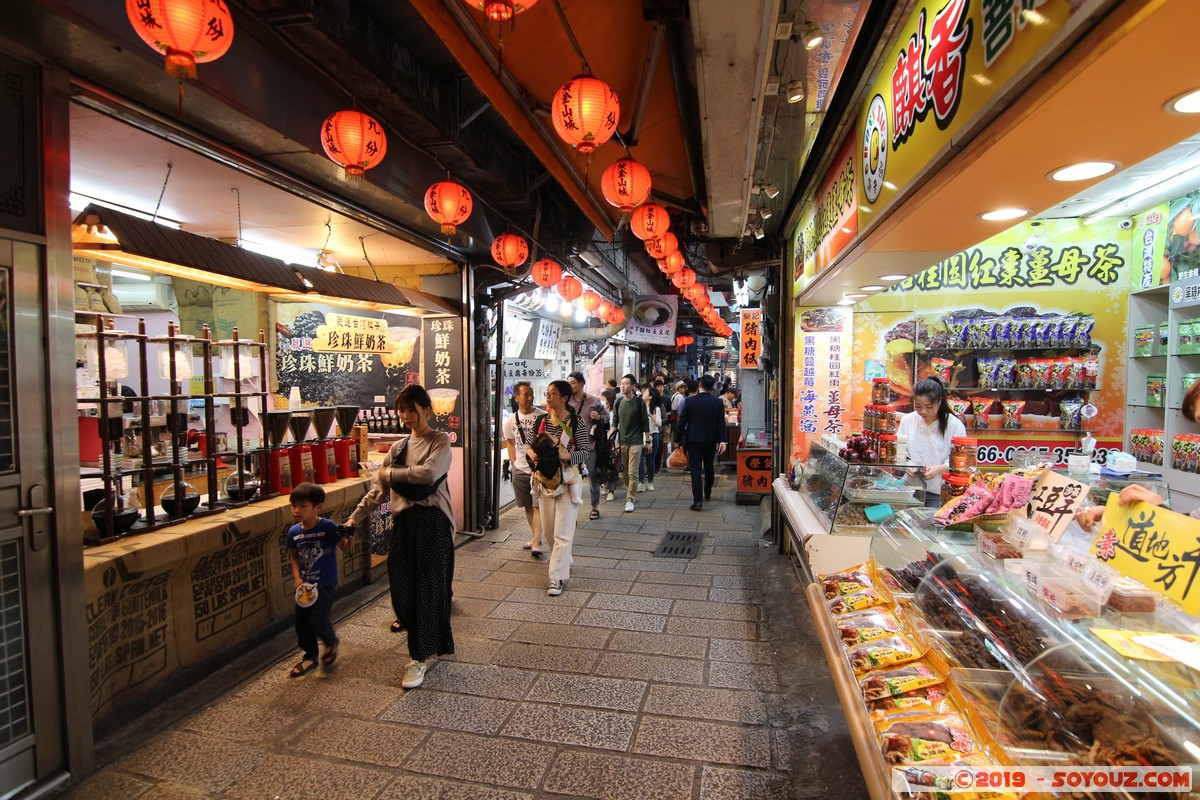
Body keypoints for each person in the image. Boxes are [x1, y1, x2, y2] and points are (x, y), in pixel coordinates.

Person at [347, 384, 454, 689]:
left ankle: (418, 658)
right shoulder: (397, 449)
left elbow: (429, 475)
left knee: (427, 592)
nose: (407, 416)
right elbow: (378, 492)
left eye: (412, 410)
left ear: (427, 410)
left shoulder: (439, 441)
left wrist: (389, 474)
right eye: (402, 410)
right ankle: (427, 636)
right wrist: (355, 517)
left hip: (433, 524)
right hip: (405, 524)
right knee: (403, 593)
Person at [286, 482, 352, 677]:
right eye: (293, 506)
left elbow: (345, 547)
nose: (297, 510)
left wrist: (350, 535)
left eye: (303, 506)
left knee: (318, 620)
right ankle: (310, 655)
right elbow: (294, 556)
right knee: (302, 622)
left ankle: (330, 642)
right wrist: (297, 577)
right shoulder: (294, 533)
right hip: (305, 587)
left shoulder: (328, 527)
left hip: (325, 582)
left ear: (318, 507)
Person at [534, 380, 591, 596]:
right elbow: (532, 444)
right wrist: (534, 454)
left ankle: (557, 577)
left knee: (563, 533)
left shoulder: (577, 423)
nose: (548, 397)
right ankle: (564, 557)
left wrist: (563, 455)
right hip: (545, 480)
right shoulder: (541, 420)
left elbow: (585, 452)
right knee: (549, 531)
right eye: (547, 393)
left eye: (552, 393)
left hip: (568, 480)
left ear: (564, 398)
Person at [897, 376, 967, 507]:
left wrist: (940, 469)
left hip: (939, 491)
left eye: (929, 407)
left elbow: (960, 460)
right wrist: (908, 465)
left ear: (939, 402)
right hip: (910, 489)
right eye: (918, 406)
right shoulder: (908, 420)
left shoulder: (955, 425)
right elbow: (899, 452)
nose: (923, 411)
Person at [501, 381, 546, 554]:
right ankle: (536, 535)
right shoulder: (511, 420)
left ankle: (535, 541)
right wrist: (513, 461)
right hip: (520, 468)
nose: (529, 398)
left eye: (531, 394)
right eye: (525, 395)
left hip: (538, 469)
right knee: (527, 505)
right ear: (516, 397)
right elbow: (511, 442)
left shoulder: (543, 416)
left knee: (538, 505)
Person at [676, 374, 727, 510]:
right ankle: (708, 491)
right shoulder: (717, 402)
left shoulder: (690, 401)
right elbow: (721, 422)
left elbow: (682, 422)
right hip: (711, 440)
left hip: (693, 440)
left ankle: (697, 501)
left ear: (700, 385)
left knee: (696, 469)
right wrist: (723, 441)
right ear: (712, 387)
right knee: (709, 466)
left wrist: (677, 439)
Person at [567, 371, 608, 523]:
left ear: (582, 384)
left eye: (573, 383)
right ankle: (570, 511)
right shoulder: (567, 402)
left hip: (590, 445)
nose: (571, 386)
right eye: (569, 383)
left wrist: (599, 417)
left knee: (593, 477)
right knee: (570, 478)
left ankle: (594, 507)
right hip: (571, 448)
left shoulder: (594, 401)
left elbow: (607, 418)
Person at [612, 374, 652, 512]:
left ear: (633, 386)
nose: (623, 386)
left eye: (626, 383)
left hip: (636, 441)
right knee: (623, 473)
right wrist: (609, 437)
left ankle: (630, 499)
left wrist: (647, 441)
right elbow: (615, 422)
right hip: (623, 441)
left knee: (633, 471)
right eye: (621, 383)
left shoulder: (639, 402)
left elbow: (645, 423)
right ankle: (631, 490)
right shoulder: (618, 402)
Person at [638, 386, 662, 492]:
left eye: (646, 392)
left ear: (651, 397)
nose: (643, 393)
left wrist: (650, 415)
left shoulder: (656, 409)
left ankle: (650, 481)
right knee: (639, 461)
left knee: (650, 461)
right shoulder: (639, 406)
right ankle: (641, 482)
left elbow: (659, 424)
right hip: (641, 435)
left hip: (654, 435)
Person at [599, 388, 618, 502]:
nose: (602, 401)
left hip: (612, 443)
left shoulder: (614, 413)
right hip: (602, 442)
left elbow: (614, 428)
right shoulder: (601, 411)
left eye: (603, 399)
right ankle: (604, 484)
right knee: (603, 465)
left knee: (612, 466)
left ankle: (611, 490)